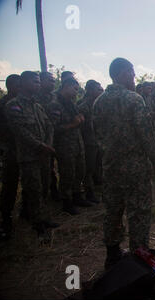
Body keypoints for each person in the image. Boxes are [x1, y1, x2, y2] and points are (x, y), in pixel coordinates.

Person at [93, 58, 155, 269]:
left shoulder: (98, 102)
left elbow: (96, 134)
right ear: (123, 73)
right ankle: (139, 258)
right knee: (139, 213)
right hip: (135, 169)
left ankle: (112, 254)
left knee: (113, 211)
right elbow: (148, 137)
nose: (135, 78)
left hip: (110, 168)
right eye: (132, 73)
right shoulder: (134, 100)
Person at [5, 71, 58, 238]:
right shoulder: (14, 105)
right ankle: (37, 224)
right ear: (23, 84)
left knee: (43, 187)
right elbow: (21, 131)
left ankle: (43, 217)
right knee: (33, 190)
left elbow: (48, 125)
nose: (38, 84)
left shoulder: (37, 105)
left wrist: (47, 145)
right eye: (35, 81)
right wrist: (41, 146)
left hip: (44, 154)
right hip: (29, 157)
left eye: (38, 82)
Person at [49, 78, 92, 215]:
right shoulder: (55, 105)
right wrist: (72, 124)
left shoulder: (71, 104)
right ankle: (66, 202)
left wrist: (80, 120)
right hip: (64, 145)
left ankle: (77, 196)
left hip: (77, 143)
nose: (76, 93)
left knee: (80, 171)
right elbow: (53, 128)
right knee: (67, 174)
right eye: (75, 89)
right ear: (66, 87)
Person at [0, 74, 22, 239]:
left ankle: (27, 212)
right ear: (10, 86)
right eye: (17, 84)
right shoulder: (3, 105)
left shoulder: (25, 104)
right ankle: (5, 218)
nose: (20, 87)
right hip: (10, 150)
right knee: (10, 186)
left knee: (30, 183)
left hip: (26, 150)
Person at [77, 80, 104, 204]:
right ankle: (89, 192)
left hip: (97, 141)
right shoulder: (83, 106)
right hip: (88, 142)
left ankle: (96, 188)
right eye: (98, 89)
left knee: (97, 167)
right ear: (90, 90)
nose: (100, 91)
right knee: (88, 169)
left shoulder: (97, 104)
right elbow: (81, 128)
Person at [36, 71, 60, 201]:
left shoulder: (55, 97)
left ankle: (53, 192)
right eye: (49, 80)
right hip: (39, 142)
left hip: (55, 138)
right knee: (38, 175)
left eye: (53, 80)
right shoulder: (34, 98)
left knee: (50, 170)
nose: (52, 83)